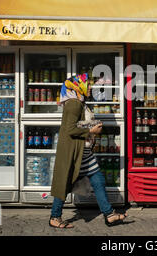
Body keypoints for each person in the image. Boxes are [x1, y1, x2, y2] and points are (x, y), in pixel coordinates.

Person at [49, 73, 127, 228]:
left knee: (97, 180)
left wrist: (91, 127)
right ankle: (55, 217)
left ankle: (109, 214)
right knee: (65, 182)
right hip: (74, 151)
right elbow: (70, 129)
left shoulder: (78, 101)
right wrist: (91, 131)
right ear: (79, 85)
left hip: (82, 151)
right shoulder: (74, 104)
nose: (90, 87)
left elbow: (78, 124)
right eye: (88, 84)